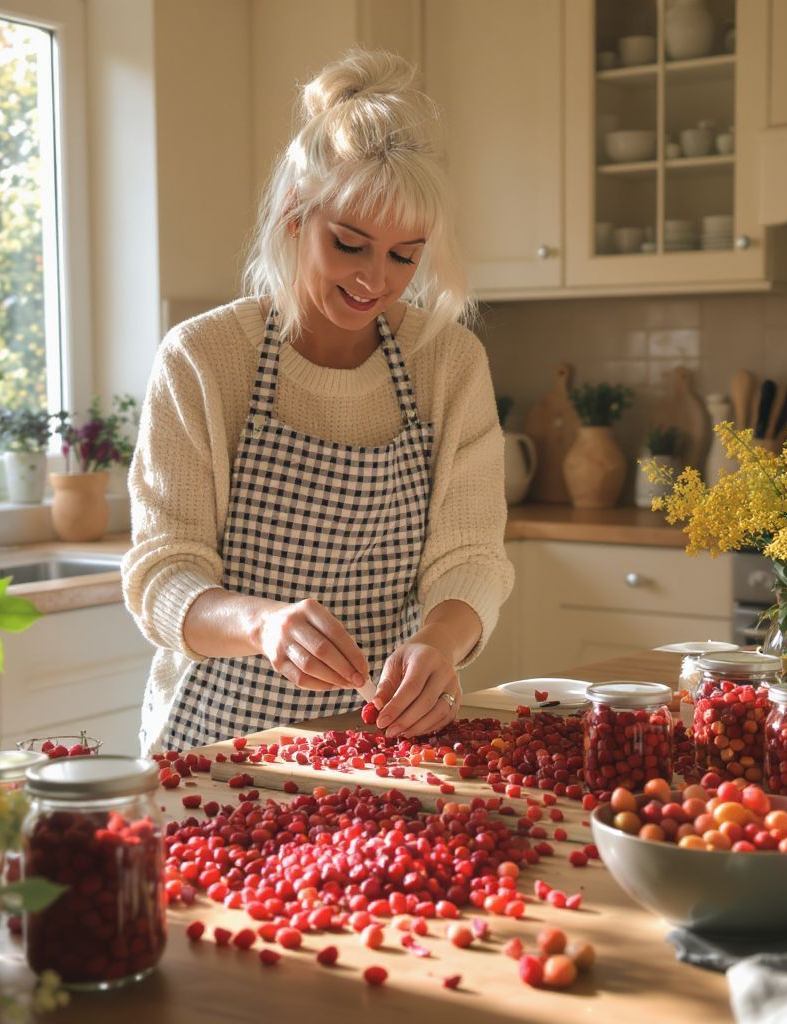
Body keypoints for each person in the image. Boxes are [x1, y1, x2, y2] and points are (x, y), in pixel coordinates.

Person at [123, 49, 513, 756]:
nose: (375, 280)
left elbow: (472, 556)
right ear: (294, 216)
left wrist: (440, 643)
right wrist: (262, 625)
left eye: (404, 256)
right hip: (219, 744)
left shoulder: (447, 363)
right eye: (351, 244)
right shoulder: (204, 360)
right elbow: (163, 575)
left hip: (385, 739)